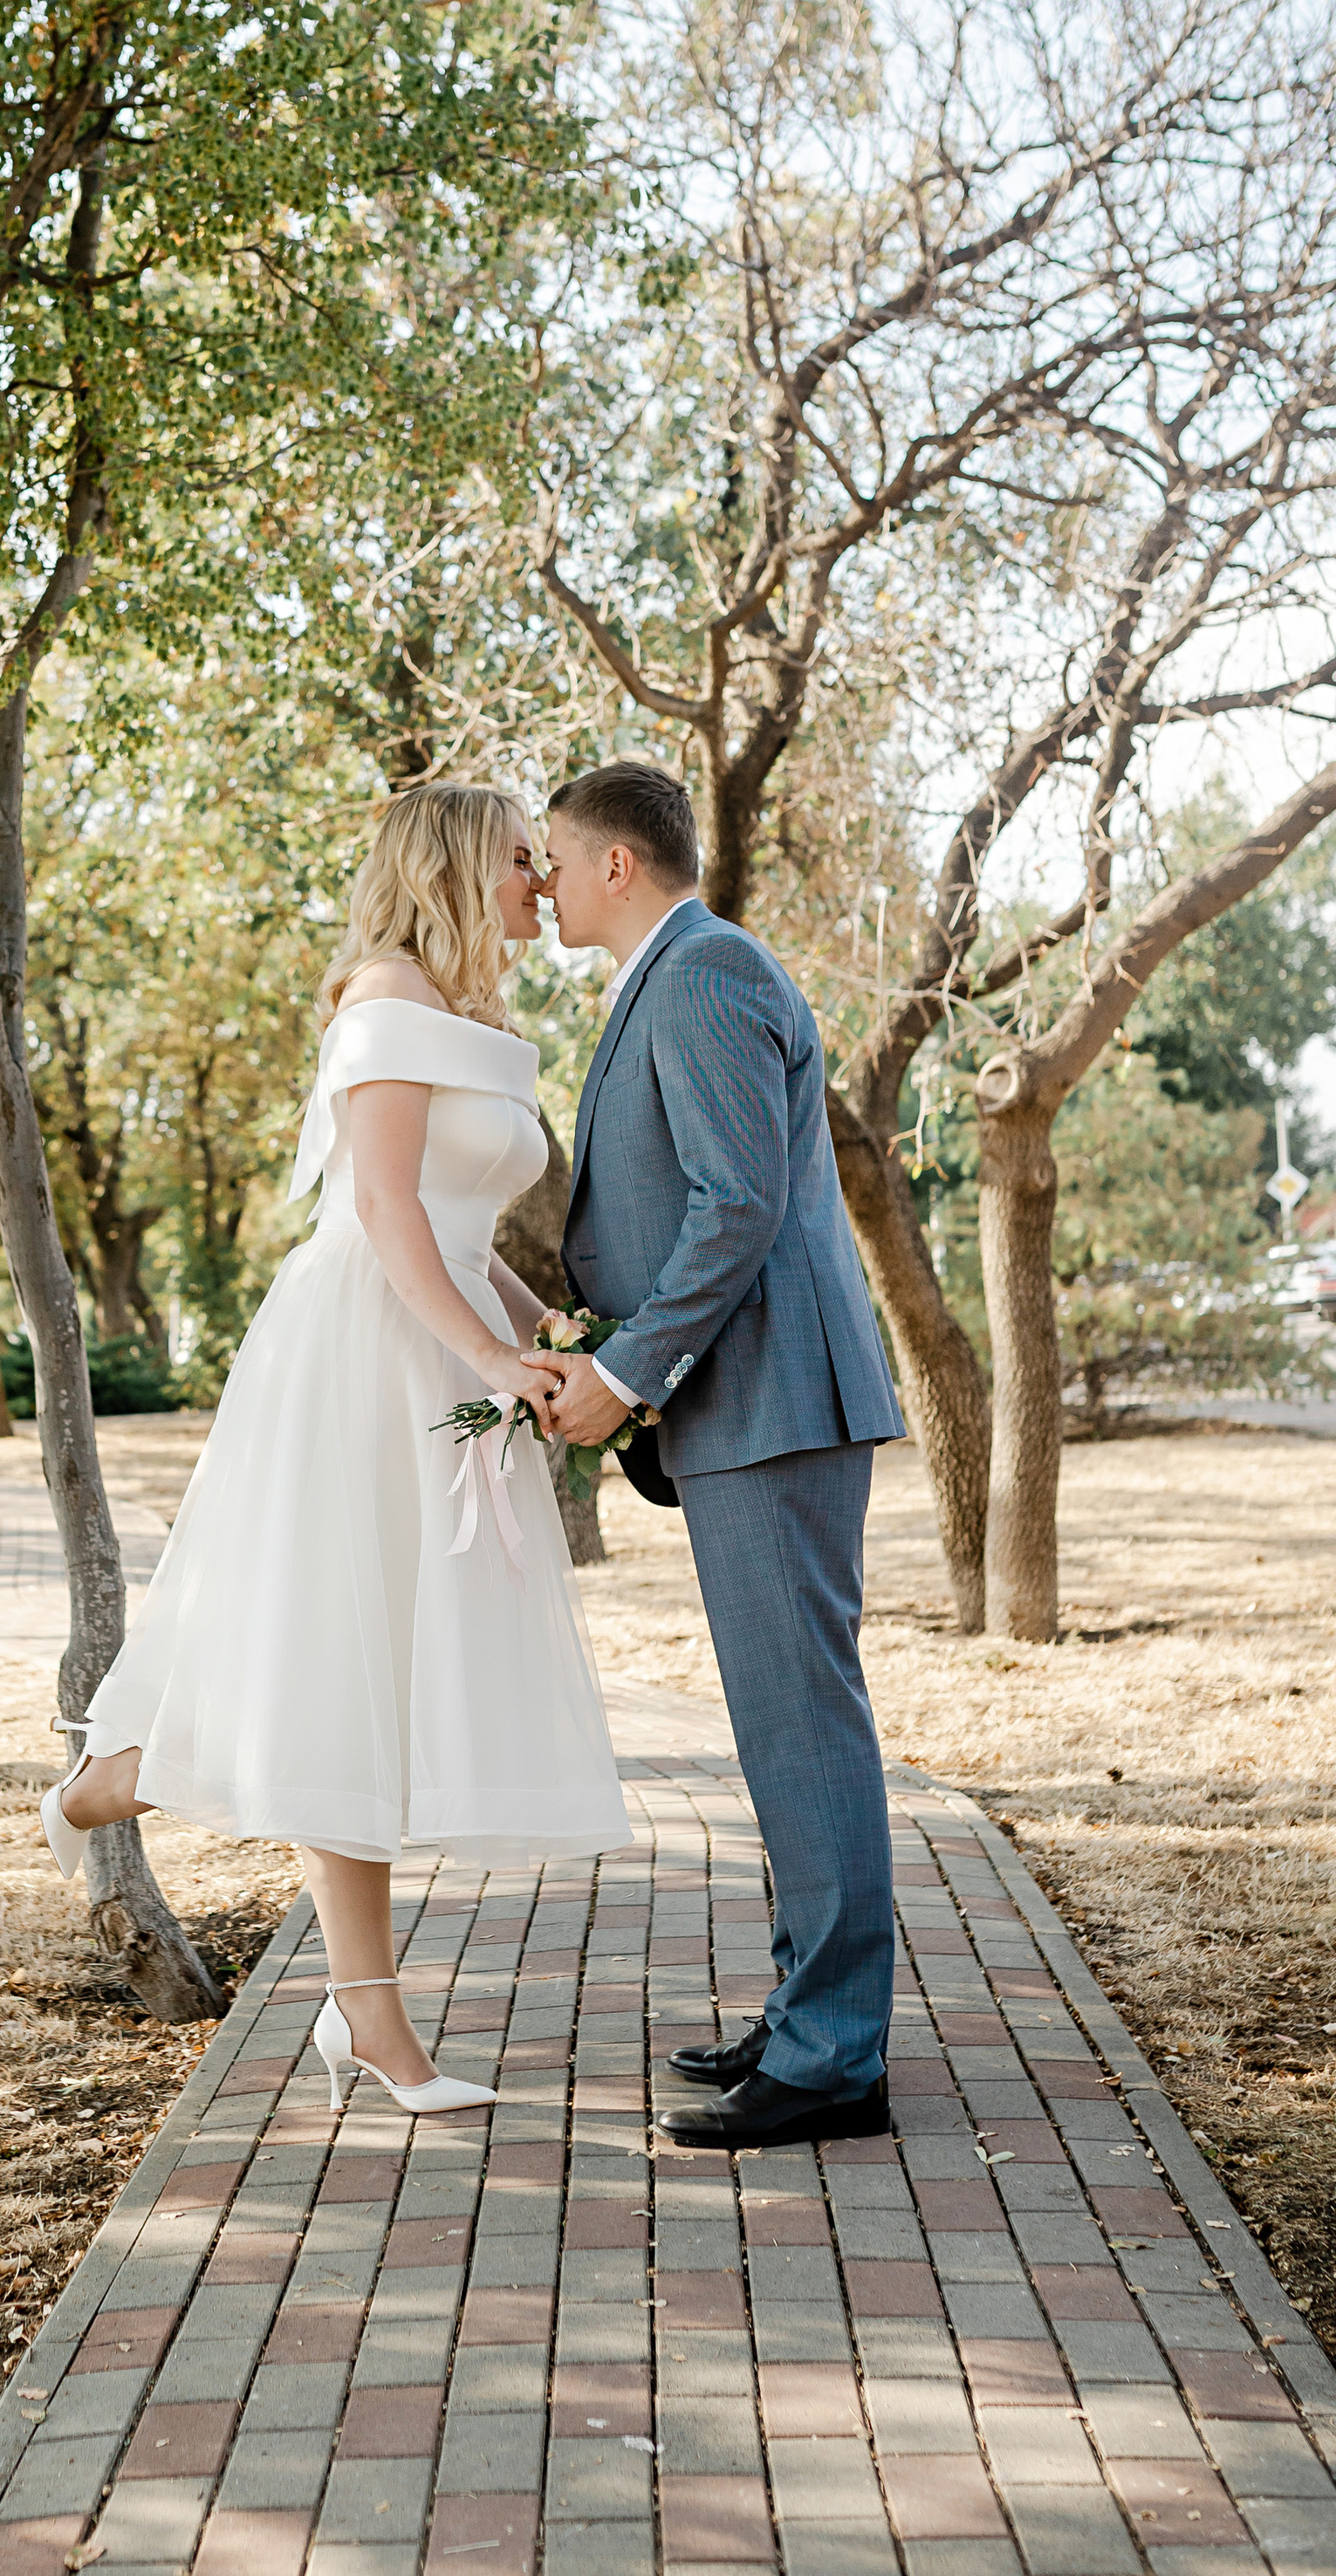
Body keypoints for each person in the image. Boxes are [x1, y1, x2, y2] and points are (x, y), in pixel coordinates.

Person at [44, 778, 633, 2115]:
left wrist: (554, 1331)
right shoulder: (383, 1001)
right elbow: (380, 1209)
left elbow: (461, 1222)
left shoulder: (470, 1016)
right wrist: (489, 1356)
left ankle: (333, 1989)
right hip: (368, 1348)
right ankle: (130, 1787)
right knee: (341, 1666)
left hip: (444, 1336)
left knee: (375, 1682)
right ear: (453, 867)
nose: (542, 883)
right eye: (520, 864)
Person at [540, 760, 907, 2151]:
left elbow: (738, 1205)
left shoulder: (702, 974)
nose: (546, 885)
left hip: (774, 1403)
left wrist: (626, 1370)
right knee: (781, 1731)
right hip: (747, 1408)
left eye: (557, 862)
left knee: (805, 1728)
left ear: (617, 864)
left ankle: (833, 2059)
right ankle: (813, 2013)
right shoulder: (677, 972)